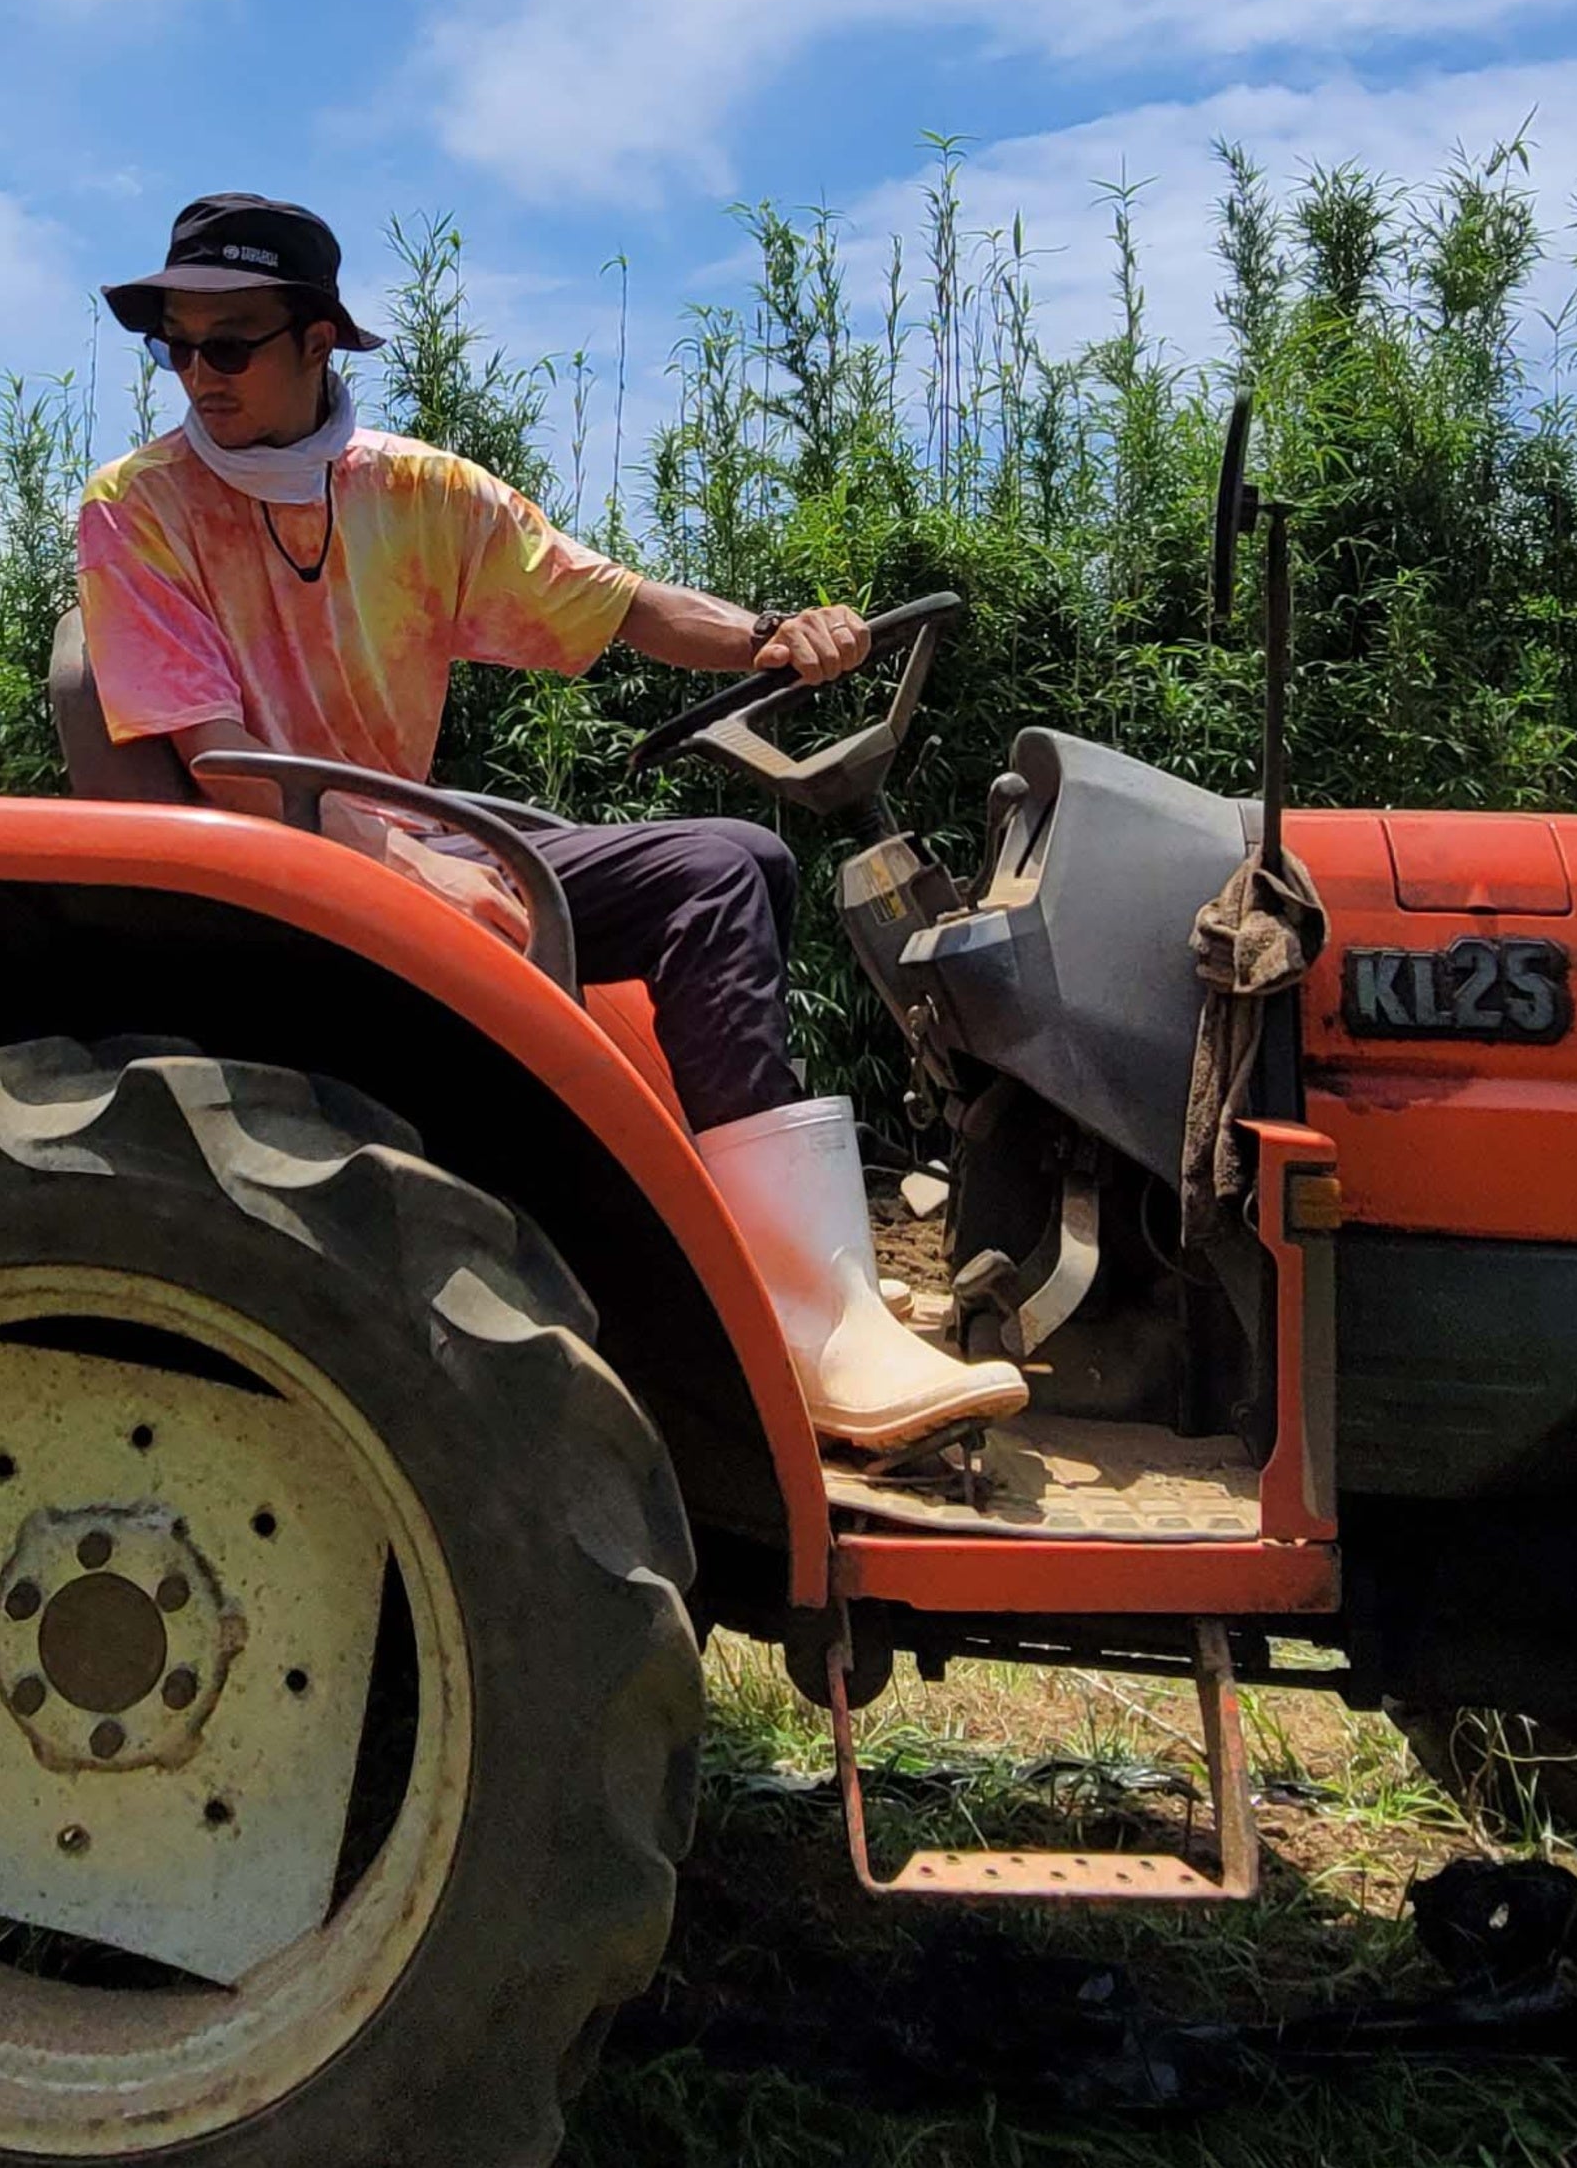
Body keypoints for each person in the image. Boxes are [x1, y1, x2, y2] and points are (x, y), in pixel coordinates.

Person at [76, 195, 1020, 1453]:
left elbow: (617, 604)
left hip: (406, 847)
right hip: (267, 885)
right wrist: (404, 864)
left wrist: (771, 638)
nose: (198, 376)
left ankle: (804, 1309)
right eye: (176, 345)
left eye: (230, 344)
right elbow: (226, 763)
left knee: (727, 864)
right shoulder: (136, 508)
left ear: (319, 343)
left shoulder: (416, 493)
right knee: (525, 882)